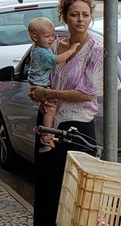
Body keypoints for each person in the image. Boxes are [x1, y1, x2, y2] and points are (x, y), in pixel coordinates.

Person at [29, 0, 104, 226]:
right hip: (48, 123)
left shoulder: (96, 49)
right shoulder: (54, 45)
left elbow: (87, 93)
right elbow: (40, 77)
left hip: (77, 127)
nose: (80, 19)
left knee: (75, 192)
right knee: (47, 187)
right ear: (65, 17)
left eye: (85, 14)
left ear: (91, 17)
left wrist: (48, 94)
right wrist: (36, 93)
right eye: (74, 14)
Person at [27, 17, 79, 153]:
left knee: (46, 108)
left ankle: (45, 130)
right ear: (34, 38)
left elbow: (50, 47)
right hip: (41, 84)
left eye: (52, 35)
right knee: (51, 109)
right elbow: (55, 60)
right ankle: (47, 136)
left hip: (38, 82)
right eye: (47, 36)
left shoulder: (39, 47)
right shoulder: (41, 52)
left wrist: (56, 40)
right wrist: (71, 51)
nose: (51, 39)